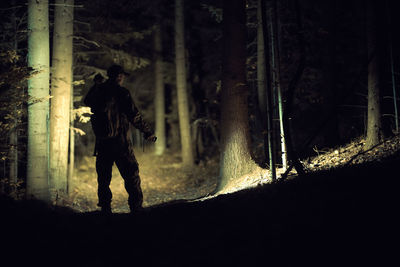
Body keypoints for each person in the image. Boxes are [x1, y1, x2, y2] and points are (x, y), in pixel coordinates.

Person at [84, 65, 156, 214]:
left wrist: (96, 86)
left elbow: (88, 101)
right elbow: (134, 116)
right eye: (121, 75)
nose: (122, 78)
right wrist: (147, 132)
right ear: (119, 77)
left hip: (103, 143)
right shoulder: (122, 92)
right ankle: (136, 208)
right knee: (131, 175)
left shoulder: (100, 90)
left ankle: (105, 208)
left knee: (104, 178)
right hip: (120, 142)